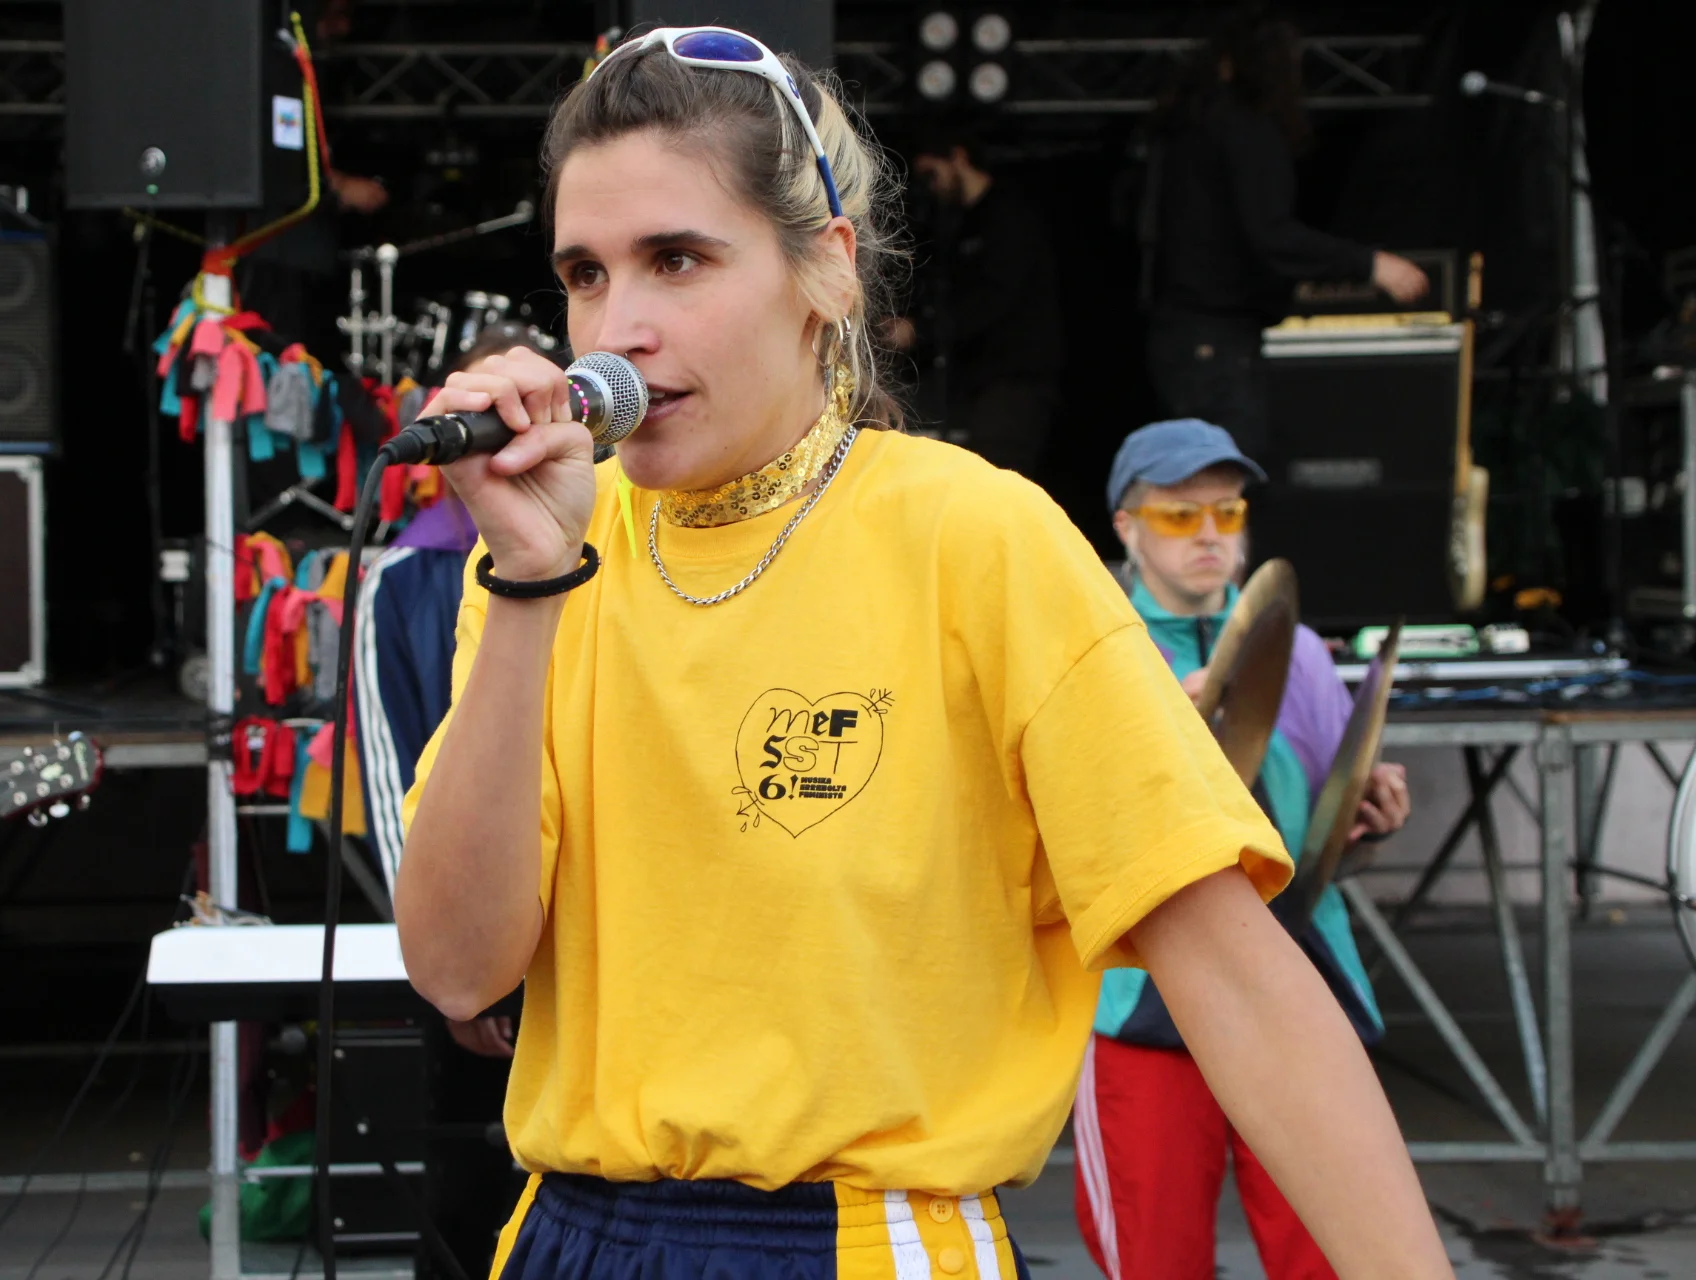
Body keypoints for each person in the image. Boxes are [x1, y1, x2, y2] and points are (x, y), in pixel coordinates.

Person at [395, 24, 1452, 1279]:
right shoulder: (549, 556)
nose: (617, 326)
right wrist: (527, 581)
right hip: (564, 1233)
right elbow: (456, 970)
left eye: (677, 259)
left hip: (863, 1239)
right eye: (585, 273)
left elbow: (1239, 974)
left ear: (828, 272)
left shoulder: (974, 535)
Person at [1078, 417, 1410, 1278]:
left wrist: (1369, 810)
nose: (1210, 535)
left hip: (1296, 978)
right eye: (1180, 515)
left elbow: (1323, 843)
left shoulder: (1298, 650)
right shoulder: (1089, 648)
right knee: (1154, 1258)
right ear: (1126, 526)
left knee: (1331, 1254)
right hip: (1146, 991)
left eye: (1227, 512)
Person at [1145, 13, 1429, 454]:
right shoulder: (1243, 126)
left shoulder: (1186, 127)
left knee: (1201, 469)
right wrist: (1370, 264)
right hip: (1217, 338)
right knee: (1227, 472)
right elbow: (1271, 234)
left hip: (1187, 334)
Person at [894, 133, 1062, 477]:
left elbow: (992, 300)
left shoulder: (1010, 215)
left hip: (1013, 378)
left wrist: (918, 331)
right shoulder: (957, 225)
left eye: (932, 174)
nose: (931, 187)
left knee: (1001, 477)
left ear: (958, 157)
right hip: (975, 381)